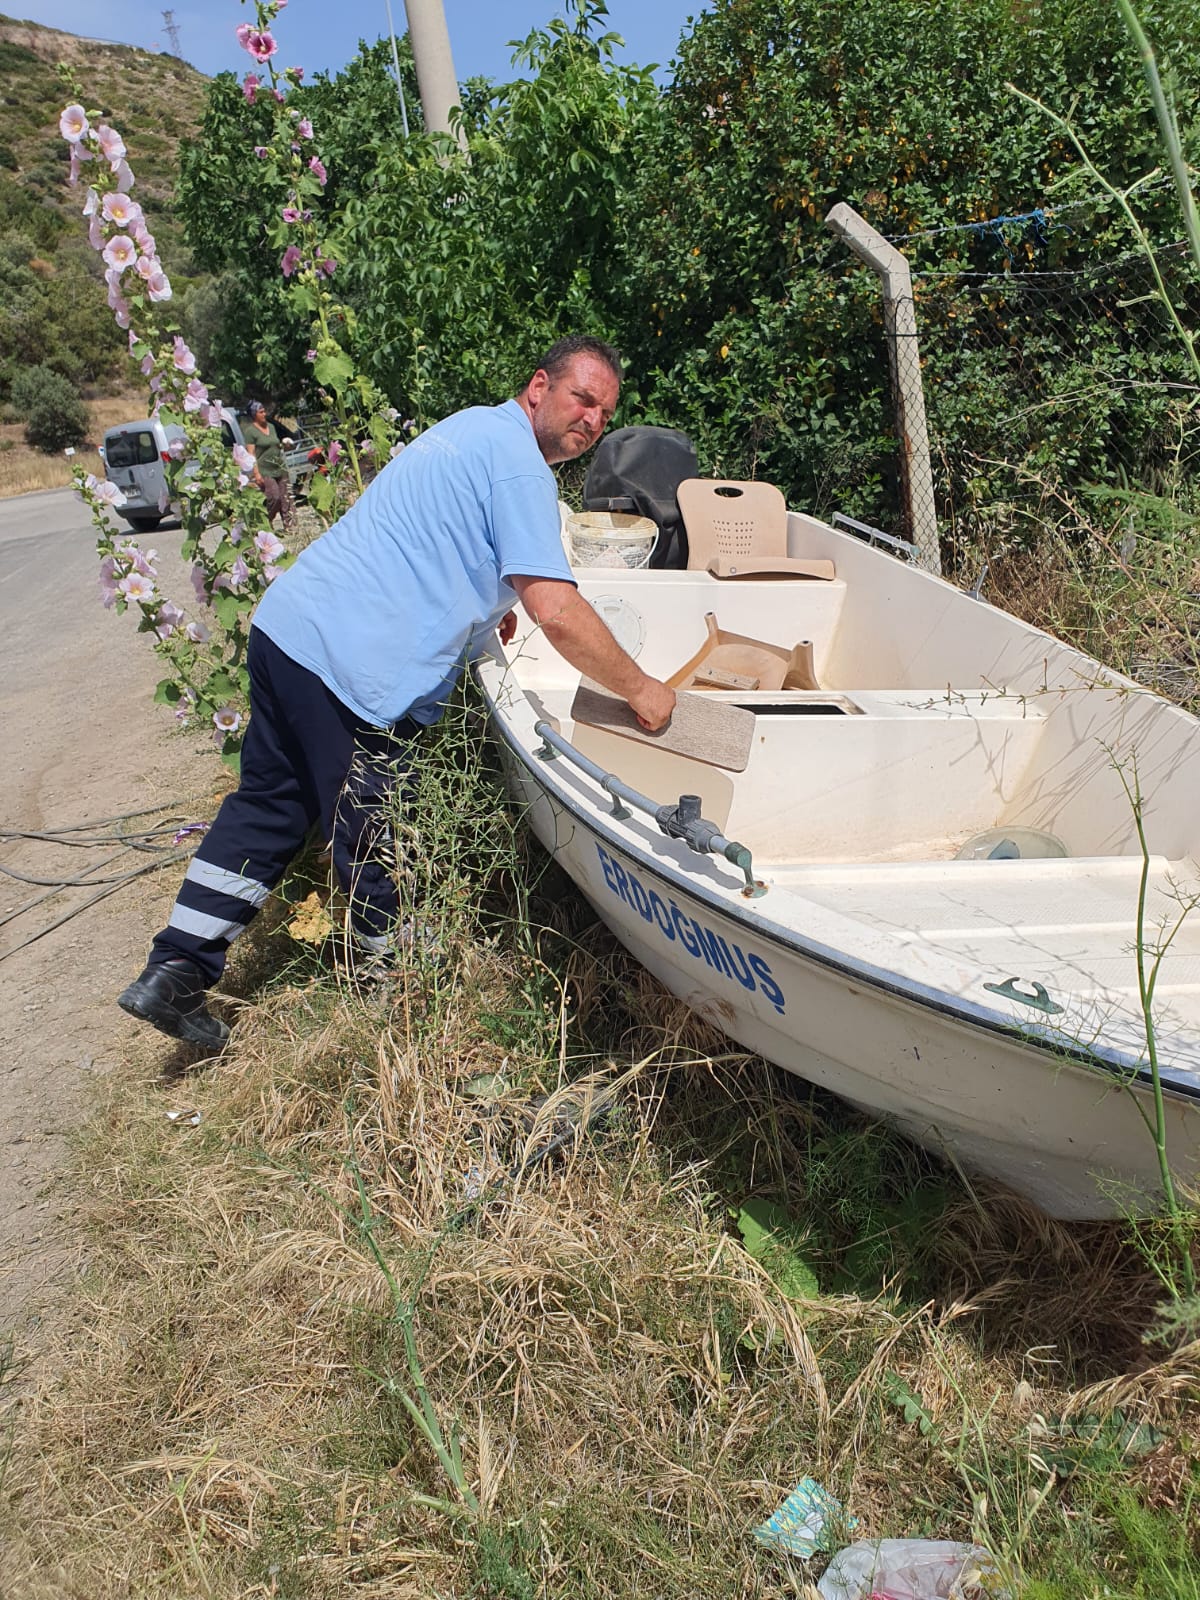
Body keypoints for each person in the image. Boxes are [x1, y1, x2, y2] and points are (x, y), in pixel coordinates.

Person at [118, 335, 676, 1051]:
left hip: (290, 632)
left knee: (269, 809)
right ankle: (398, 1004)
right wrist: (641, 688)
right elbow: (559, 611)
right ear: (539, 386)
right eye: (583, 399)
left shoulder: (471, 429)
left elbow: (434, 539)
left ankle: (173, 971)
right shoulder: (521, 468)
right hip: (348, 670)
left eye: (605, 413)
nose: (592, 420)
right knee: (374, 834)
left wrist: (488, 605)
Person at [243, 399, 295, 531]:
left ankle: (290, 526)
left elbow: (275, 445)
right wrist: (256, 474)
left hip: (279, 466)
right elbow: (251, 454)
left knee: (286, 497)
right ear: (254, 414)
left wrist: (284, 445)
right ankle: (266, 521)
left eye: (264, 411)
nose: (264, 414)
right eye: (261, 412)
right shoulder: (250, 432)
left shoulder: (271, 427)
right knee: (274, 497)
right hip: (265, 470)